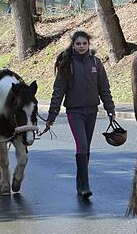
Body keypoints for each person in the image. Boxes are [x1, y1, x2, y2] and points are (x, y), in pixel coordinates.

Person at [45, 30, 116, 198]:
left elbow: (104, 88)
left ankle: (80, 181)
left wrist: (110, 108)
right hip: (74, 112)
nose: (81, 46)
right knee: (82, 146)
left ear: (88, 44)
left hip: (92, 111)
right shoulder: (67, 63)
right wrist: (52, 115)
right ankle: (84, 185)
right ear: (73, 45)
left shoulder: (96, 63)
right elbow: (58, 91)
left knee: (86, 148)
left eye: (84, 43)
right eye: (78, 43)